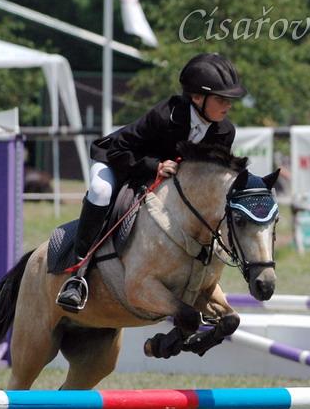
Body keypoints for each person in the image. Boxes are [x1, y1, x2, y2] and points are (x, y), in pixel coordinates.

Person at [57, 52, 247, 311]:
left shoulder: (224, 131)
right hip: (121, 161)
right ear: (197, 98)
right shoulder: (165, 115)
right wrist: (154, 166)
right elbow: (119, 150)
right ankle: (78, 274)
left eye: (230, 100)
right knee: (100, 191)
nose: (228, 106)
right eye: (221, 99)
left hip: (163, 180)